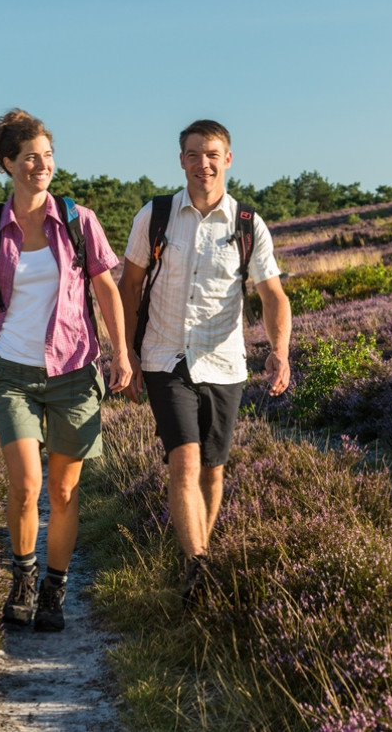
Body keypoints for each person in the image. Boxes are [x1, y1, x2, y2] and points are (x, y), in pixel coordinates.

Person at [0, 109, 131, 631]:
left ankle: (55, 589)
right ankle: (23, 578)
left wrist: (121, 352)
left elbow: (105, 289)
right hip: (12, 370)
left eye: (48, 156)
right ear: (8, 163)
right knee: (25, 483)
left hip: (75, 370)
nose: (42, 165)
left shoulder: (80, 221)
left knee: (63, 491)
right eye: (31, 157)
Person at [118, 119, 291, 607]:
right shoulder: (154, 217)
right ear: (181, 161)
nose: (203, 164)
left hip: (225, 363)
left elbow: (272, 295)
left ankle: (200, 557)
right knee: (185, 461)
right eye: (193, 154)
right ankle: (198, 564)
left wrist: (279, 350)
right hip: (164, 356)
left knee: (213, 471)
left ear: (228, 159)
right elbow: (128, 286)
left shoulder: (247, 225)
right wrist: (126, 351)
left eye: (212, 154)